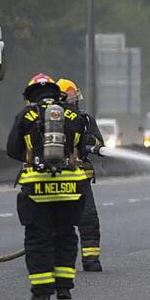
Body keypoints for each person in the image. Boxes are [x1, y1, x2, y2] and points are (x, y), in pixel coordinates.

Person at [6, 73, 92, 300]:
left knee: (38, 238)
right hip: (70, 187)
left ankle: (42, 291)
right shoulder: (74, 115)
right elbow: (84, 148)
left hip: (37, 188)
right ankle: (64, 287)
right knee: (65, 235)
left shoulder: (26, 115)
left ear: (30, 95)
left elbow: (12, 149)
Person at [58, 78, 105, 272]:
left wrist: (88, 142)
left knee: (88, 219)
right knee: (58, 221)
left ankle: (91, 259)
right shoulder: (50, 118)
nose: (74, 100)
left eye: (74, 96)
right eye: (71, 96)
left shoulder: (84, 120)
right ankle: (56, 260)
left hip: (79, 177)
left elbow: (98, 143)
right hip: (57, 179)